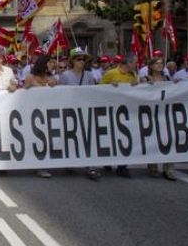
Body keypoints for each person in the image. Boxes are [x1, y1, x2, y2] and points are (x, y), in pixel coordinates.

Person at [57, 48, 101, 180]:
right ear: (72, 61)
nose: (81, 61)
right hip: (70, 111)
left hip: (85, 110)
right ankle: (71, 161)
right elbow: (59, 93)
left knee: (88, 138)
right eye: (78, 59)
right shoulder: (65, 75)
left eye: (83, 59)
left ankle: (90, 166)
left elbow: (93, 92)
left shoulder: (89, 75)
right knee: (72, 137)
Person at [100, 55, 138, 178]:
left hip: (127, 112)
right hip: (111, 110)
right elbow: (97, 89)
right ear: (128, 62)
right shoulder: (111, 73)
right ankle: (108, 160)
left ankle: (123, 167)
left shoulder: (133, 75)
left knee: (125, 137)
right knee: (111, 136)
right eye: (135, 63)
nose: (136, 65)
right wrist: (109, 85)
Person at [139, 57, 177, 181]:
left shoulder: (167, 79)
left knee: (169, 140)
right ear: (151, 66)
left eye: (161, 63)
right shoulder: (145, 79)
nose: (160, 65)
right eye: (157, 63)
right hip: (151, 114)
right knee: (152, 140)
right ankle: (153, 166)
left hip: (166, 114)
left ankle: (169, 169)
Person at [22, 55, 58, 178]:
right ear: (44, 64)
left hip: (48, 113)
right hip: (33, 112)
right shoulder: (30, 78)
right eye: (51, 63)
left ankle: (42, 165)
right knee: (35, 138)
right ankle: (34, 163)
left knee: (46, 139)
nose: (53, 65)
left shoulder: (52, 78)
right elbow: (22, 94)